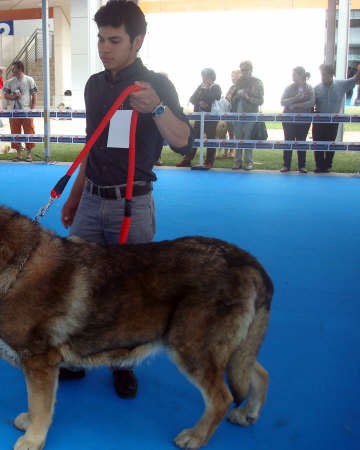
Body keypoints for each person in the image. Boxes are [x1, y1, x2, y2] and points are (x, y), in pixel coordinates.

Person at [60, 1, 191, 399]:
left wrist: (158, 109)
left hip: (132, 205)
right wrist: (74, 196)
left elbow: (185, 143)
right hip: (91, 201)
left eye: (114, 40)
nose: (104, 47)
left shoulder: (156, 86)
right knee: (75, 281)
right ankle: (78, 355)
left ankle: (122, 363)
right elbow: (93, 144)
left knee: (130, 290)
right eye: (100, 38)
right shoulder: (94, 86)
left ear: (137, 40)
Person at [313, 63, 360, 173]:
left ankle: (328, 166)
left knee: (331, 143)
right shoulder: (316, 88)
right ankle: (319, 166)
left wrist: (359, 70)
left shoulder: (341, 84)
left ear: (331, 74)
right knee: (318, 143)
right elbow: (311, 104)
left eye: (324, 74)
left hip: (334, 120)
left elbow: (356, 79)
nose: (322, 77)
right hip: (319, 120)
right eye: (321, 75)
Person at [177, 68, 221, 168]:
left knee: (210, 138)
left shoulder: (216, 87)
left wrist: (205, 92)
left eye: (206, 76)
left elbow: (215, 97)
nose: (204, 79)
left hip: (211, 118)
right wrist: (200, 101)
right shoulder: (200, 86)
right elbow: (192, 99)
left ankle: (209, 161)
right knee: (194, 137)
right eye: (203, 76)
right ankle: (187, 159)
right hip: (199, 116)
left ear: (211, 77)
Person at [280, 66, 315, 173]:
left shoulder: (309, 88)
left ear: (301, 76)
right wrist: (295, 98)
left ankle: (302, 166)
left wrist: (296, 105)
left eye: (294, 74)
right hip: (288, 120)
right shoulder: (288, 88)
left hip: (304, 120)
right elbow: (282, 102)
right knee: (288, 141)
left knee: (301, 142)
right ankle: (286, 165)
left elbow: (311, 102)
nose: (292, 76)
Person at [230, 61, 263, 170]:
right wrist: (237, 96)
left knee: (248, 138)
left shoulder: (257, 82)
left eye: (245, 70)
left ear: (251, 70)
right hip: (237, 114)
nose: (243, 72)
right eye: (242, 70)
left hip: (251, 115)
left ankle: (249, 162)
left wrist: (247, 97)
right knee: (238, 138)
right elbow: (231, 98)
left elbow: (260, 101)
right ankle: (237, 161)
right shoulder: (238, 82)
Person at [3, 61, 38, 162]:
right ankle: (18, 155)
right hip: (14, 111)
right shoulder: (9, 82)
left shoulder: (29, 80)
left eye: (14, 68)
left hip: (26, 110)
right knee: (15, 132)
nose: (12, 70)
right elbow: (5, 95)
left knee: (29, 131)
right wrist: (13, 97)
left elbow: (34, 94)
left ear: (20, 68)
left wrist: (32, 109)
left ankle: (28, 155)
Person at [222, 69, 241, 159]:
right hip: (229, 113)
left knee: (235, 134)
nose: (232, 78)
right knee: (229, 133)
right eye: (232, 76)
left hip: (238, 114)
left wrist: (231, 98)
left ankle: (233, 152)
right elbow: (227, 98)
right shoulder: (232, 87)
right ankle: (226, 151)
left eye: (234, 76)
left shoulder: (241, 88)